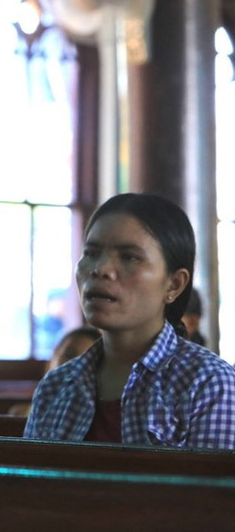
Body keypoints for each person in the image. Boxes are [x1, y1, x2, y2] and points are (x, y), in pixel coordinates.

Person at [24, 192, 235, 448]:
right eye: (91, 252)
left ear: (174, 284)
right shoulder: (56, 386)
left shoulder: (210, 384)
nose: (100, 269)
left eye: (129, 257)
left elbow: (208, 477)